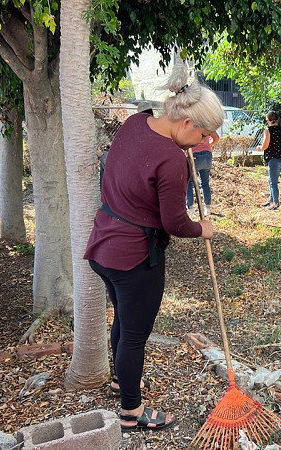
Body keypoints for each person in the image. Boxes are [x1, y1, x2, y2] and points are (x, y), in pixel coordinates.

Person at [84, 61, 223, 432]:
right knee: (134, 334)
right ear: (186, 123)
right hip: (134, 257)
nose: (205, 144)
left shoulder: (135, 122)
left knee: (123, 321)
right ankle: (131, 411)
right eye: (205, 134)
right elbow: (174, 224)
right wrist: (202, 229)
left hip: (104, 245)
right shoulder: (172, 159)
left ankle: (120, 382)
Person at [258, 111, 281, 210]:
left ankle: (275, 203)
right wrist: (278, 145)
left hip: (273, 160)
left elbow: (265, 145)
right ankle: (271, 200)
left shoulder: (268, 130)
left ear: (268, 120)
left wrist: (260, 148)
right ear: (277, 120)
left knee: (273, 183)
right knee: (271, 180)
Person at [186, 130, 219, 217]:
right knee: (205, 183)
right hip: (207, 155)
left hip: (194, 155)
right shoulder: (206, 124)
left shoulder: (189, 125)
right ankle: (207, 208)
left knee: (189, 183)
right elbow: (216, 138)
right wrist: (210, 144)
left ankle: (191, 208)